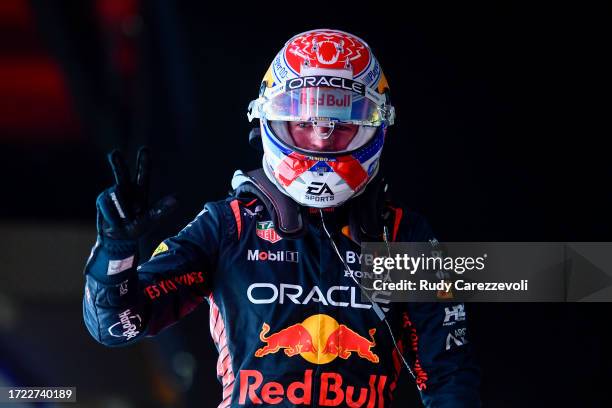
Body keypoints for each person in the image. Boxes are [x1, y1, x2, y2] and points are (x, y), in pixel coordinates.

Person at [83, 29, 480, 407]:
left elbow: (450, 377)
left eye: (339, 125)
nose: (322, 138)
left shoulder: (404, 236)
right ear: (270, 122)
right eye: (305, 123)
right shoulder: (229, 225)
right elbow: (116, 327)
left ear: (372, 127)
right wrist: (115, 253)